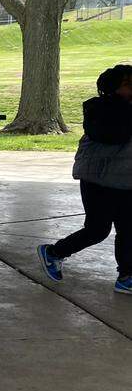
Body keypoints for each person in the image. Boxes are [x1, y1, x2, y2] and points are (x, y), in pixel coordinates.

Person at [38, 64, 132, 294]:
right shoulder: (102, 110)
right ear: (113, 88)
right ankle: (54, 252)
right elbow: (113, 135)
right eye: (128, 84)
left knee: (128, 229)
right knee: (97, 230)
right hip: (98, 180)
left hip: (124, 180)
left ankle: (126, 276)